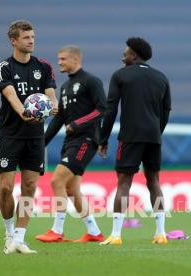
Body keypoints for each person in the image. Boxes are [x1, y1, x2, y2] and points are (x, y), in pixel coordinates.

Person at [0, 20, 58, 254]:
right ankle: (9, 232)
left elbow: (51, 95)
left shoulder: (44, 66)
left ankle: (19, 238)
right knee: (5, 188)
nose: (32, 40)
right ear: (14, 40)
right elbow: (11, 96)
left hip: (34, 137)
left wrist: (52, 106)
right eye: (27, 37)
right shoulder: (3, 68)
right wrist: (24, 112)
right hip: (10, 134)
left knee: (29, 186)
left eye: (33, 36)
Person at [98, 37, 172, 245]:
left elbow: (110, 109)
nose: (123, 56)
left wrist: (102, 138)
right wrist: (156, 132)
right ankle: (160, 234)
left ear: (134, 55)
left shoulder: (120, 76)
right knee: (154, 182)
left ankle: (116, 235)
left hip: (130, 137)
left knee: (124, 182)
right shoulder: (161, 77)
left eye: (126, 53)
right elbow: (166, 111)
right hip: (153, 137)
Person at [34, 45, 105, 243]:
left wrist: (78, 123)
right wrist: (42, 143)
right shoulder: (65, 87)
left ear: (75, 60)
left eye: (63, 59)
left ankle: (57, 231)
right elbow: (59, 119)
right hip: (71, 141)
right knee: (72, 190)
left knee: (57, 180)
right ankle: (94, 232)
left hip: (86, 140)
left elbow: (102, 109)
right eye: (59, 59)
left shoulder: (91, 81)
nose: (59, 63)